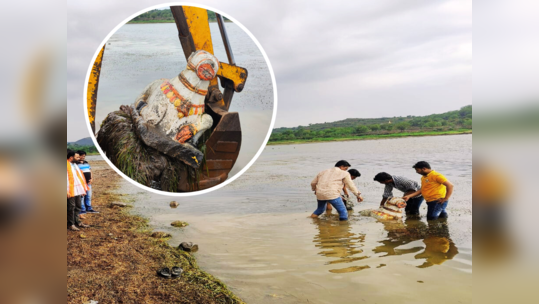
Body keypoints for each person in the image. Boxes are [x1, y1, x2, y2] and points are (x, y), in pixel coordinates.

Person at [67, 150, 89, 231]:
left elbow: (79, 178)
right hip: (70, 190)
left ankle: (77, 221)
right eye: (76, 157)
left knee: (78, 206)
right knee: (71, 207)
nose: (78, 158)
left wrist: (83, 189)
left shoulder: (74, 165)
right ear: (71, 157)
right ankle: (70, 224)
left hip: (77, 189)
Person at [76, 151, 99, 215]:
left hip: (88, 182)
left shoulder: (86, 163)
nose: (83, 157)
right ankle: (82, 209)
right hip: (81, 183)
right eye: (82, 156)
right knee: (82, 196)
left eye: (84, 156)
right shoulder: (76, 164)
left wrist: (91, 178)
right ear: (78, 156)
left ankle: (89, 208)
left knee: (88, 195)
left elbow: (90, 171)